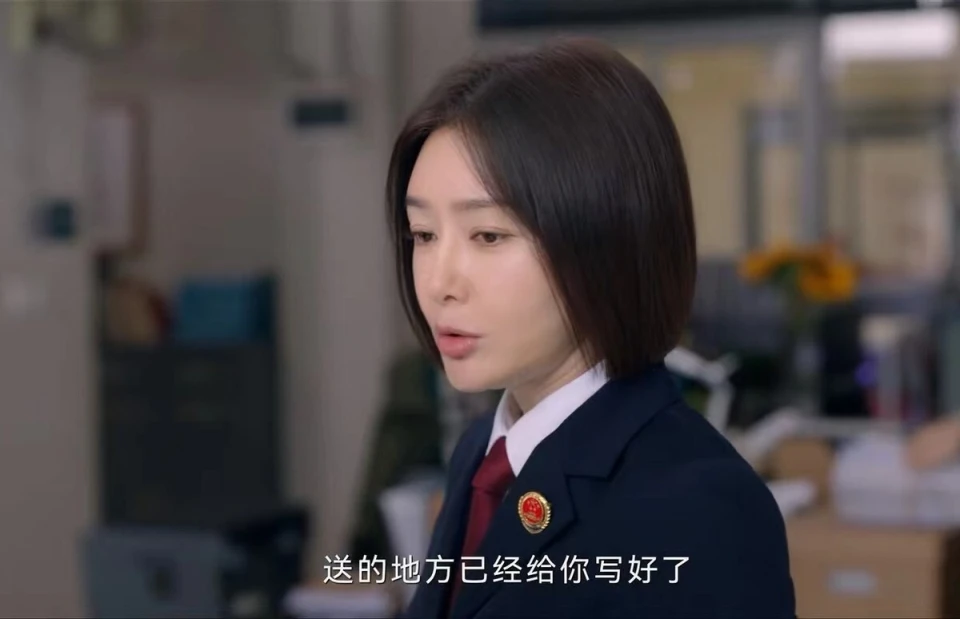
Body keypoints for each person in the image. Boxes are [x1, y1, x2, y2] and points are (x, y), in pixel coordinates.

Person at [386, 37, 795, 619]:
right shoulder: (483, 454)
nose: (438, 282)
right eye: (423, 235)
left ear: (607, 241)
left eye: (489, 236)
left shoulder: (697, 505)